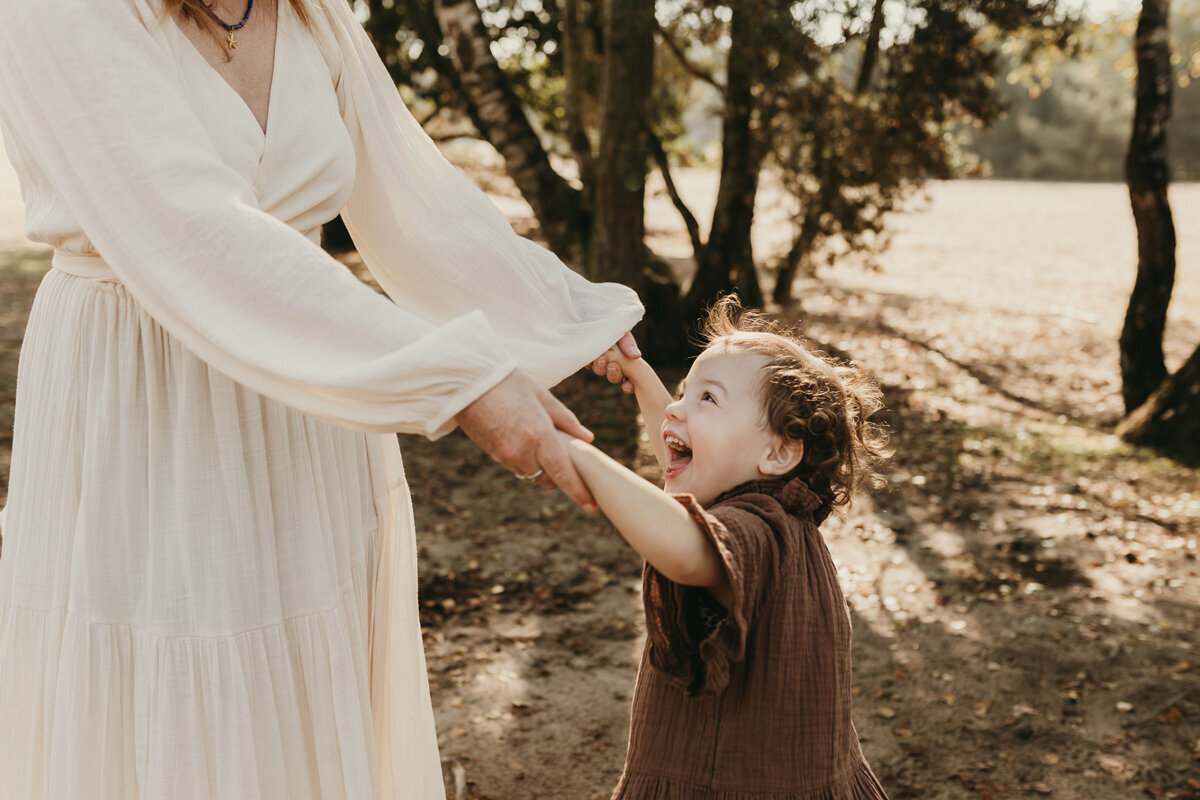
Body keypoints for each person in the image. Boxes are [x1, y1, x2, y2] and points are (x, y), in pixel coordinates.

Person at [0, 0, 643, 798]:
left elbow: (417, 201)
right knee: (173, 685)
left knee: (303, 686)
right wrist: (462, 380)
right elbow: (188, 224)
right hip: (144, 399)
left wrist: (563, 316)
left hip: (309, 405)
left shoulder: (313, 13)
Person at [562, 297, 893, 799]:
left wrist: (573, 452)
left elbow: (686, 547)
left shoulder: (754, 528)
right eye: (681, 393)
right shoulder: (785, 511)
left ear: (778, 451)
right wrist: (639, 372)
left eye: (707, 399)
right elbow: (682, 455)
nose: (676, 408)